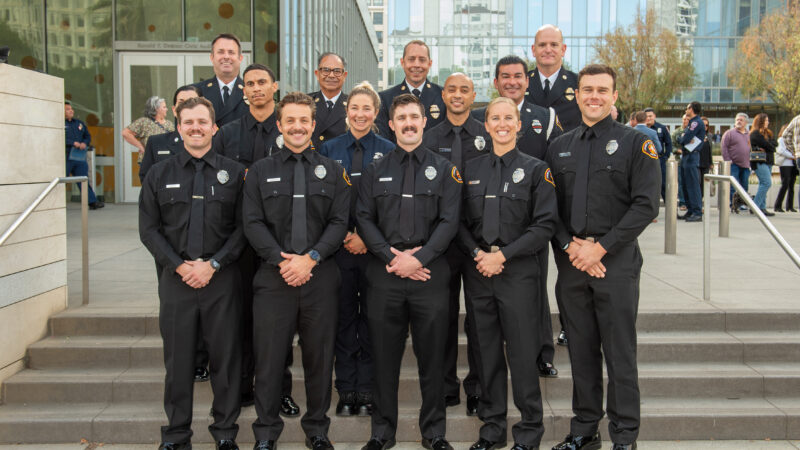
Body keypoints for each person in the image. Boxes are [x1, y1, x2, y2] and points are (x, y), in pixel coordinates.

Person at [546, 64, 660, 450]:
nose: (593, 96)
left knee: (620, 354)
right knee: (580, 351)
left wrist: (601, 247)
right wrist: (572, 247)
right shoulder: (559, 145)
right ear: (576, 95)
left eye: (602, 90)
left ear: (614, 96)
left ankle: (625, 437)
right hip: (573, 263)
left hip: (616, 262)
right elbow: (550, 211)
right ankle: (584, 430)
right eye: (587, 89)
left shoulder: (635, 142)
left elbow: (646, 205)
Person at [139, 96, 247, 450]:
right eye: (189, 122)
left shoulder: (233, 174)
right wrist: (181, 266)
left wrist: (213, 264)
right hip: (177, 281)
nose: (196, 128)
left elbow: (243, 228)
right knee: (179, 362)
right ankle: (176, 435)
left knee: (225, 361)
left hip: (222, 280)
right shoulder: (159, 174)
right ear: (179, 127)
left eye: (203, 122)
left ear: (214, 128)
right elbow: (149, 230)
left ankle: (226, 433)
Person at [244, 92, 350, 450]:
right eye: (290, 120)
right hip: (274, 279)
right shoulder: (260, 171)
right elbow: (252, 222)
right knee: (270, 360)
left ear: (313, 125)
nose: (297, 126)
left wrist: (312, 258)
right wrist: (283, 260)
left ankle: (317, 430)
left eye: (303, 120)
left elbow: (339, 222)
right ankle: (266, 433)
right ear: (280, 125)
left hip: (320, 278)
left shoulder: (333, 170)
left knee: (320, 360)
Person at [356, 94, 461, 450]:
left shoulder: (445, 169)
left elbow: (450, 221)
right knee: (383, 360)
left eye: (414, 116)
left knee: (433, 360)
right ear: (391, 124)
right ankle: (382, 432)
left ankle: (434, 433)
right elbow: (364, 219)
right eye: (401, 118)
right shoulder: (375, 169)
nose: (408, 123)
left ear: (423, 121)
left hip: (429, 275)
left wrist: (420, 259)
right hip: (385, 276)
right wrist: (391, 256)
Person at [459, 97, 558, 450]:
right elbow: (458, 222)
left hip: (517, 273)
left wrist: (504, 255)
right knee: (485, 353)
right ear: (485, 126)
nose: (502, 123)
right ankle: (492, 428)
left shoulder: (536, 169)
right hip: (479, 273)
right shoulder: (469, 169)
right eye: (494, 118)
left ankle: (529, 431)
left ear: (518, 124)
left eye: (508, 118)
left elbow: (544, 225)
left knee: (521, 352)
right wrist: (477, 254)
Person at [213, 63, 299, 415]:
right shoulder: (228, 134)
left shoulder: (289, 129)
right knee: (241, 319)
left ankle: (280, 391)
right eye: (250, 83)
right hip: (238, 243)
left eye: (263, 82)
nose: (256, 88)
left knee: (281, 323)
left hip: (280, 245)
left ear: (274, 87)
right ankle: (244, 388)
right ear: (242, 90)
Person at [473, 55, 564, 368]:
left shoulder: (546, 116)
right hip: (494, 220)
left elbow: (557, 161)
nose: (511, 81)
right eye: (504, 76)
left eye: (517, 76)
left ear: (527, 80)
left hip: (531, 220)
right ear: (496, 82)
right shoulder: (480, 116)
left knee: (535, 293)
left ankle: (541, 354)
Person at [319, 81, 395, 418]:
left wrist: (368, 237)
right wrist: (344, 236)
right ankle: (346, 388)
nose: (360, 114)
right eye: (354, 108)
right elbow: (322, 202)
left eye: (367, 108)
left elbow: (392, 206)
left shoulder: (390, 149)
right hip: (339, 250)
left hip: (376, 251)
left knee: (372, 321)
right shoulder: (328, 149)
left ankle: (366, 389)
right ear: (346, 111)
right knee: (344, 319)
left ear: (376, 113)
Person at [421, 72, 490, 416]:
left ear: (474, 95)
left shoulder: (487, 134)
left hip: (479, 244)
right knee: (442, 318)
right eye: (452, 89)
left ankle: (477, 387)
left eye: (465, 89)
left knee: (479, 321)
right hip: (440, 246)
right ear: (443, 95)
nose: (458, 95)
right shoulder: (429, 138)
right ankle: (447, 386)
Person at [375, 40, 446, 141]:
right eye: (411, 59)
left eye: (422, 60)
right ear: (402, 63)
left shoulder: (443, 96)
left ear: (429, 64)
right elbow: (383, 140)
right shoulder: (384, 99)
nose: (417, 65)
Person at [139, 85, 201, 183]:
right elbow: (147, 178)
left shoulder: (214, 142)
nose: (187, 106)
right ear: (174, 110)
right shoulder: (156, 143)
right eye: (181, 102)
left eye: (193, 101)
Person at [526, 24, 581, 131]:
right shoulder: (521, 83)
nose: (548, 50)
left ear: (563, 49)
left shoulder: (579, 83)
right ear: (533, 50)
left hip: (568, 147)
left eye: (554, 45)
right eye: (542, 45)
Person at [193, 33, 248, 127]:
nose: (226, 57)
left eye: (231, 52)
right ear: (212, 57)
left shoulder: (251, 91)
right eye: (221, 52)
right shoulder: (196, 91)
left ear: (240, 58)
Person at [64, 101, 103, 210]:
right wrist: (72, 143)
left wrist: (84, 143)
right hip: (66, 157)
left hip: (79, 157)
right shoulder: (60, 125)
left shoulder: (79, 123)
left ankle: (92, 202)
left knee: (83, 180)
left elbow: (87, 136)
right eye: (67, 109)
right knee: (62, 181)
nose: (71, 111)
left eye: (71, 109)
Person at [309, 52, 349, 149]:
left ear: (344, 75)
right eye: (326, 70)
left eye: (337, 71)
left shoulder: (353, 105)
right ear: (317, 74)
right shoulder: (306, 103)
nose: (331, 75)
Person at [122, 95, 174, 164]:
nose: (167, 109)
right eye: (164, 107)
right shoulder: (144, 122)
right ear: (156, 109)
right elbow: (125, 133)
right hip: (149, 161)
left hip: (166, 161)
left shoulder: (169, 124)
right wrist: (140, 146)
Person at [677, 101, 705, 222]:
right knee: (686, 184)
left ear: (692, 109)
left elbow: (686, 138)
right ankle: (690, 209)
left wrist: (681, 137)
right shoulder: (692, 123)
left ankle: (697, 211)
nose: (686, 110)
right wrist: (683, 137)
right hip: (687, 156)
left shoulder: (696, 122)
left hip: (691, 156)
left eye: (687, 108)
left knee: (693, 185)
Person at [721, 113, 752, 210]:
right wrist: (727, 160)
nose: (738, 121)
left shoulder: (749, 134)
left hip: (746, 165)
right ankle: (733, 204)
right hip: (733, 164)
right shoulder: (729, 133)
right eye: (737, 120)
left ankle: (742, 203)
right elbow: (724, 147)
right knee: (734, 186)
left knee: (744, 185)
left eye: (741, 120)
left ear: (746, 123)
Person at [749, 113, 776, 216]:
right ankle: (755, 207)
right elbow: (769, 145)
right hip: (759, 162)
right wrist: (768, 145)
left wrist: (768, 145)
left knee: (762, 184)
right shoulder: (755, 134)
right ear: (761, 122)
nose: (768, 122)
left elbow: (773, 144)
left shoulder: (768, 133)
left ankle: (762, 208)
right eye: (766, 120)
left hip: (768, 161)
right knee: (766, 183)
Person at [644, 108, 673, 202]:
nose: (648, 118)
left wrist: (665, 157)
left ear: (654, 116)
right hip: (645, 162)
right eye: (646, 116)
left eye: (650, 116)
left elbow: (668, 143)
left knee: (663, 184)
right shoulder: (642, 129)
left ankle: (670, 210)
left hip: (659, 160)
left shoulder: (662, 128)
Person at [774, 124, 798, 212]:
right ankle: (777, 205)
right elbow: (781, 150)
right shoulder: (781, 140)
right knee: (785, 184)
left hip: (793, 164)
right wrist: (792, 156)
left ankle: (790, 206)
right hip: (785, 164)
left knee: (792, 185)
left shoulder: (793, 140)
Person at [699, 117, 713, 197]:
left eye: (706, 125)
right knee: (697, 183)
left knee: (704, 185)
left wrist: (711, 162)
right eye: (703, 125)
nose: (705, 127)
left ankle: (701, 203)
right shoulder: (695, 135)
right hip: (697, 163)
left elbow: (710, 150)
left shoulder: (709, 136)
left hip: (706, 163)